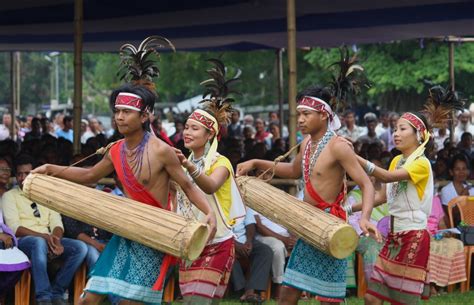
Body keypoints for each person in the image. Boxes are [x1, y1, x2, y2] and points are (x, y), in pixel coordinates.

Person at [33, 37, 216, 305]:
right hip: (125, 232)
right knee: (89, 299)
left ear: (144, 117)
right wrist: (51, 169)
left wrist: (209, 214)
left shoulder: (161, 151)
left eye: (127, 112)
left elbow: (187, 187)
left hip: (154, 232)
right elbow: (89, 176)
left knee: (131, 303)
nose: (119, 117)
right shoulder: (115, 150)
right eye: (117, 111)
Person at [237, 85, 378, 305]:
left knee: (329, 298)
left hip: (330, 227)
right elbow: (293, 171)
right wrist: (255, 162)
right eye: (299, 114)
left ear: (323, 115)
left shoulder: (338, 147)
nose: (300, 119)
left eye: (306, 114)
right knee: (288, 293)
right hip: (307, 224)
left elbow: (366, 184)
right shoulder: (306, 144)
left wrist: (366, 218)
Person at [355, 87, 464, 304]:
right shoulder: (397, 161)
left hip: (413, 236)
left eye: (402, 129)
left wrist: (352, 157)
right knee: (371, 298)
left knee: (403, 301)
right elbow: (383, 197)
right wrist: (349, 208)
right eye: (395, 129)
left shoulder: (421, 163)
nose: (395, 133)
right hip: (394, 237)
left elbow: (384, 177)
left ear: (419, 136)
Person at [173, 59, 245, 305]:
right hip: (190, 241)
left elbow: (210, 186)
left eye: (194, 129)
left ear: (210, 134)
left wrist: (187, 166)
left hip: (218, 242)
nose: (187, 132)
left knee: (196, 301)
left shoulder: (222, 163)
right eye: (186, 127)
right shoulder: (183, 160)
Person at [3, 154, 88, 305]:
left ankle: (57, 291)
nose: (23, 178)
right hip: (25, 241)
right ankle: (44, 297)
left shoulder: (45, 195)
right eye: (19, 174)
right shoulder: (9, 196)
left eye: (27, 173)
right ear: (16, 176)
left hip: (48, 239)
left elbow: (57, 221)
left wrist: (56, 239)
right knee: (38, 243)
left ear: (35, 174)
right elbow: (15, 228)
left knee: (80, 248)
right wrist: (45, 237)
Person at [231, 208, 273, 303]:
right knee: (228, 253)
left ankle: (251, 290)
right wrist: (235, 245)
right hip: (226, 241)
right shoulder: (217, 204)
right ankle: (242, 290)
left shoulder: (241, 202)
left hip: (245, 239)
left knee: (265, 251)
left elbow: (250, 224)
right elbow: (219, 233)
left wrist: (249, 241)